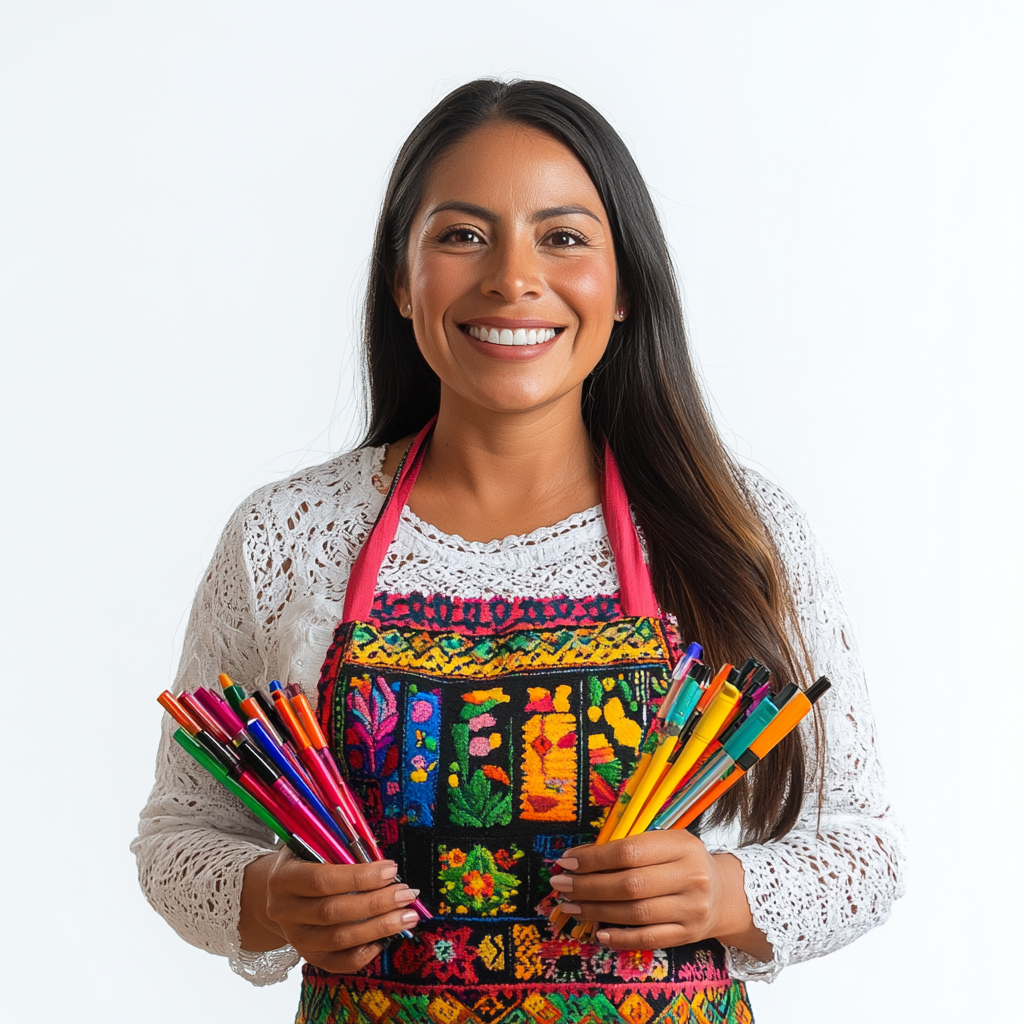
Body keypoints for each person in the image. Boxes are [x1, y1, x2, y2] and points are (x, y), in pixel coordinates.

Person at [133, 79, 905, 1024]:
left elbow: (863, 846)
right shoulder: (287, 538)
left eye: (565, 237)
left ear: (625, 288)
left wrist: (724, 892)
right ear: (400, 279)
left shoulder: (736, 527)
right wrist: (268, 896)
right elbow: (180, 834)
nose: (512, 278)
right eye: (462, 235)